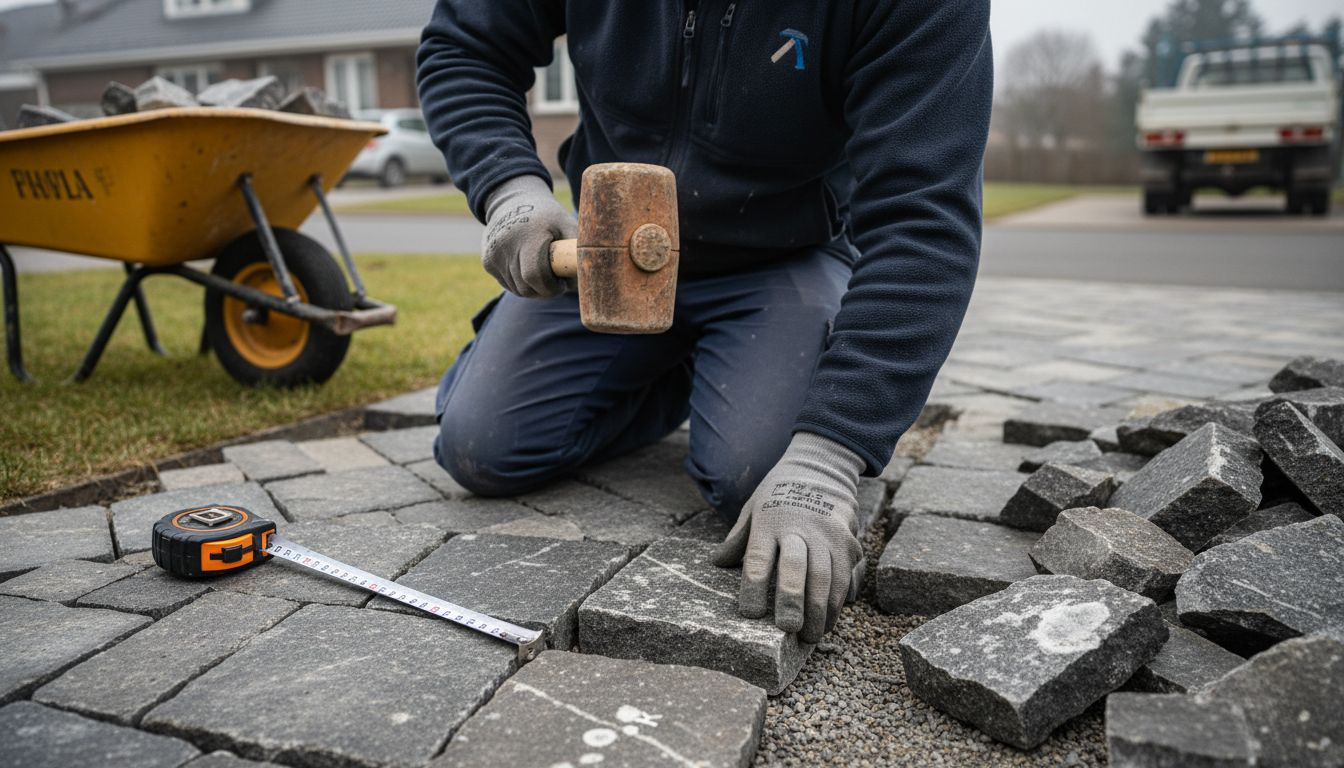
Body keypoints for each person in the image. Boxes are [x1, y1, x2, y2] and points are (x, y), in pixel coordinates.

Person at [418, 0, 992, 644]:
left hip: (783, 256)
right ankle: (682, 373)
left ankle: (735, 369)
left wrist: (831, 454)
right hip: (613, 255)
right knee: (481, 447)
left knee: (759, 475)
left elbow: (923, 221)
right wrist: (509, 187)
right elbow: (465, 46)